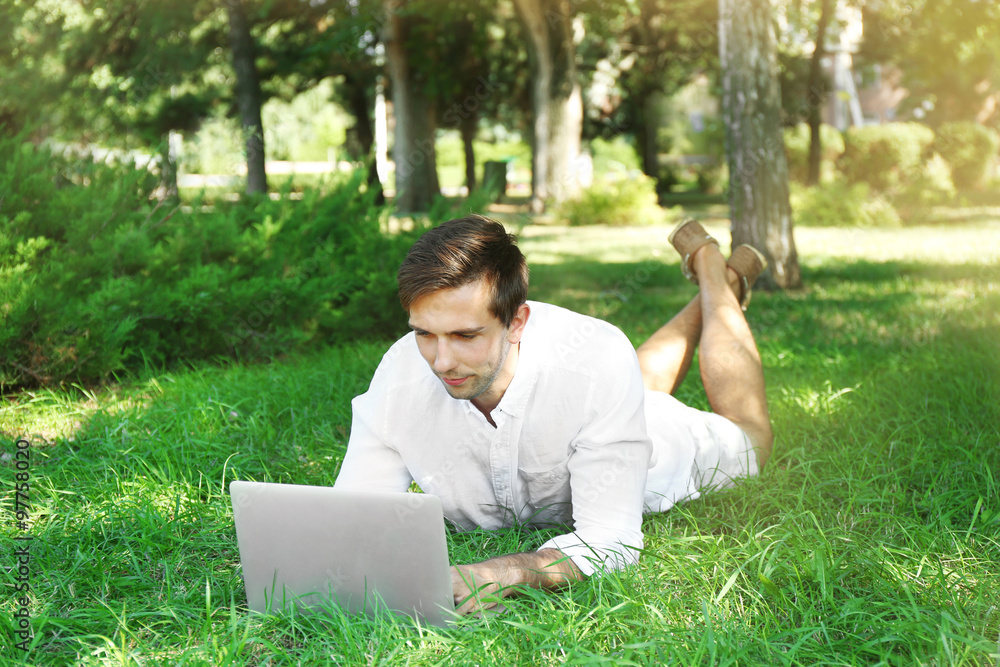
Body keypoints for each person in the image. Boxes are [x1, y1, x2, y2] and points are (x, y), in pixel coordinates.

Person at [334, 214, 773, 615]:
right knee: (628, 380)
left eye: (465, 335)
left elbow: (610, 540)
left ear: (517, 322)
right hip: (600, 397)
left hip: (659, 441)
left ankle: (714, 274)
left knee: (753, 439)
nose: (442, 361)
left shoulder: (594, 361)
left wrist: (509, 571)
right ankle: (719, 285)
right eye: (425, 334)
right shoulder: (399, 380)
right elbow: (354, 517)